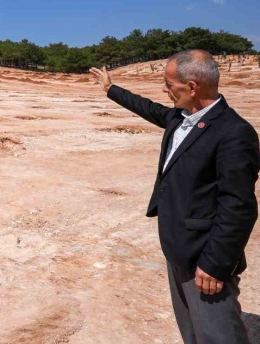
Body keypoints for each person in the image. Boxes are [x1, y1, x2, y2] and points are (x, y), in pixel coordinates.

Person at [90, 50, 259, 343]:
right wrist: (111, 88)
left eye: (168, 85)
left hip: (203, 258)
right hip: (178, 246)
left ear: (191, 87)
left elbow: (239, 206)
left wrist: (215, 264)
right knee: (191, 330)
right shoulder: (181, 117)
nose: (164, 90)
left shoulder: (234, 132)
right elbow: (148, 107)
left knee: (218, 335)